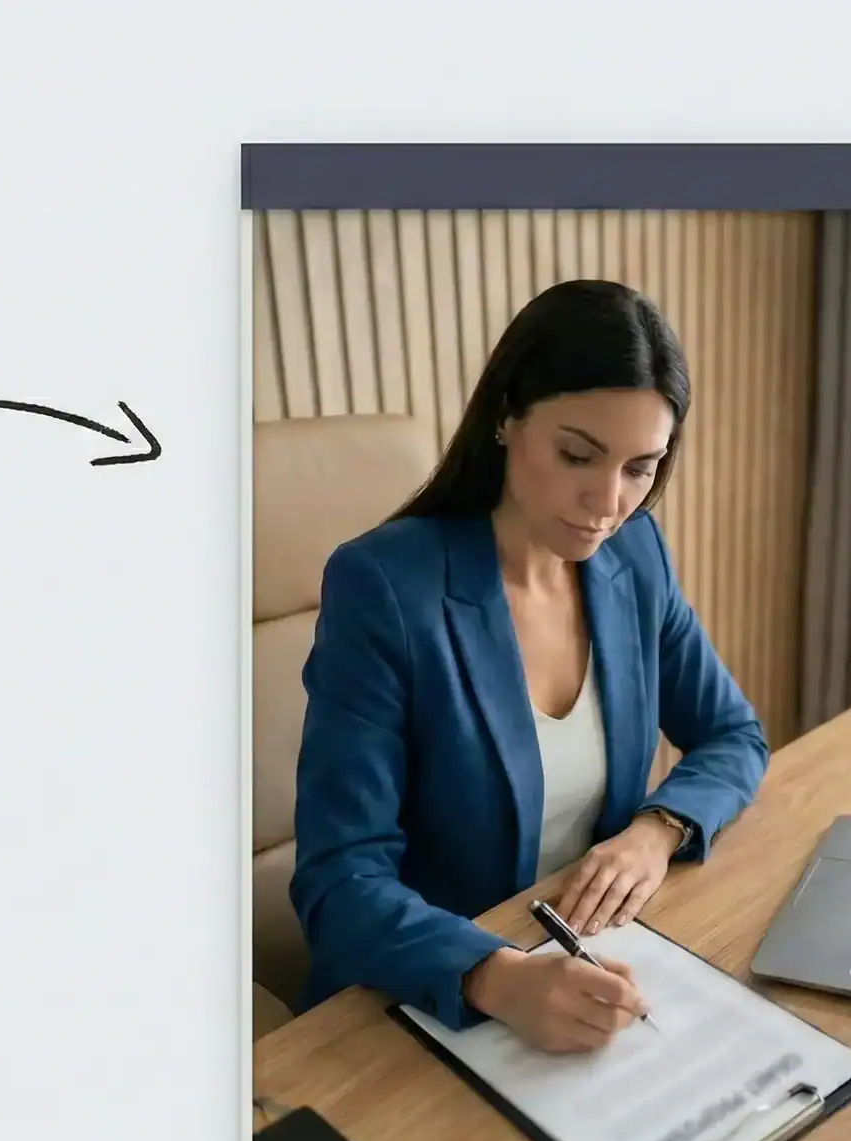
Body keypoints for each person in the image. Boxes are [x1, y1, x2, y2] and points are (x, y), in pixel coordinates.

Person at [288, 280, 769, 1055]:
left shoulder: (635, 555)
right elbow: (338, 882)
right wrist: (495, 976)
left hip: (590, 964)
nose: (607, 503)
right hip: (425, 1002)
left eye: (641, 467)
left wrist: (657, 828)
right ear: (508, 416)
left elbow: (733, 736)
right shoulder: (385, 587)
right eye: (577, 455)